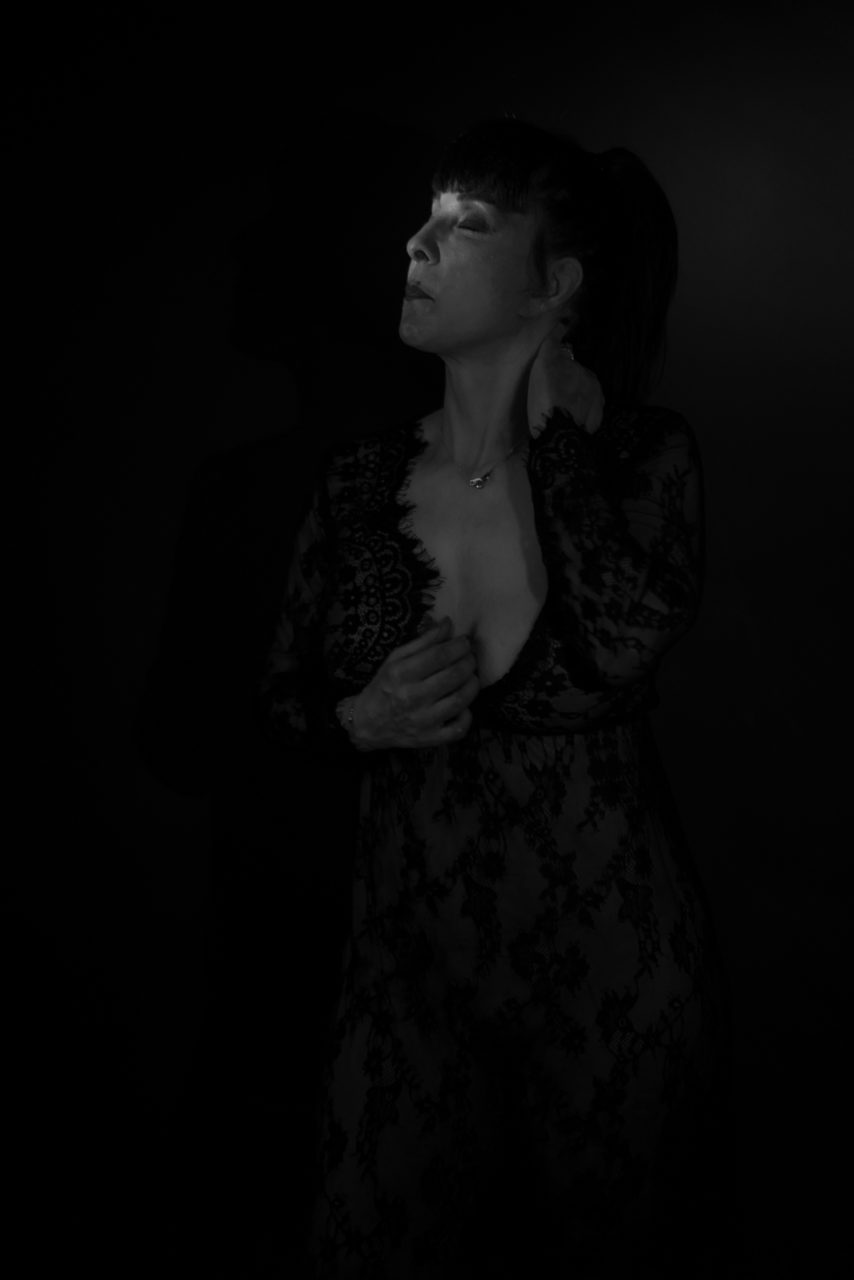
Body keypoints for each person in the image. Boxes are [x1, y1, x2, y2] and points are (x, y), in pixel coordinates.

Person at [261, 118, 735, 1279]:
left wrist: (559, 445)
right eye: (425, 215)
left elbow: (621, 641)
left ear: (552, 285)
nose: (416, 244)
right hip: (407, 985)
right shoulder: (359, 478)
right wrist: (355, 719)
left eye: (466, 223)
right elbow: (281, 701)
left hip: (611, 983)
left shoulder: (642, 458)